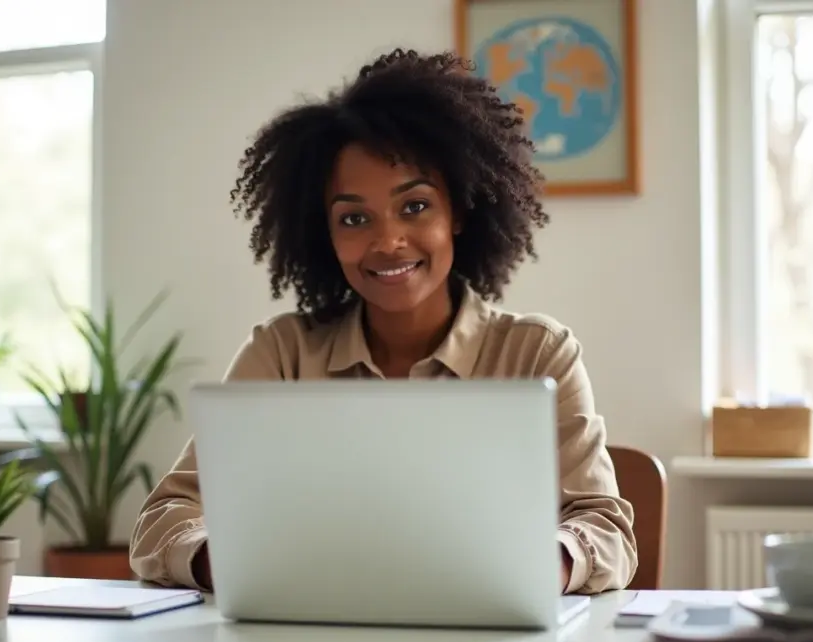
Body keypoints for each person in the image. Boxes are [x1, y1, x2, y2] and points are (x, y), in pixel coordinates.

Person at [129, 48, 637, 595]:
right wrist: (226, 562)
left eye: (415, 206)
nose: (387, 241)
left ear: (459, 212)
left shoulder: (539, 355)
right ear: (324, 234)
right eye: (354, 218)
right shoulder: (281, 355)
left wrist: (542, 567)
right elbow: (164, 517)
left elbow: (605, 528)